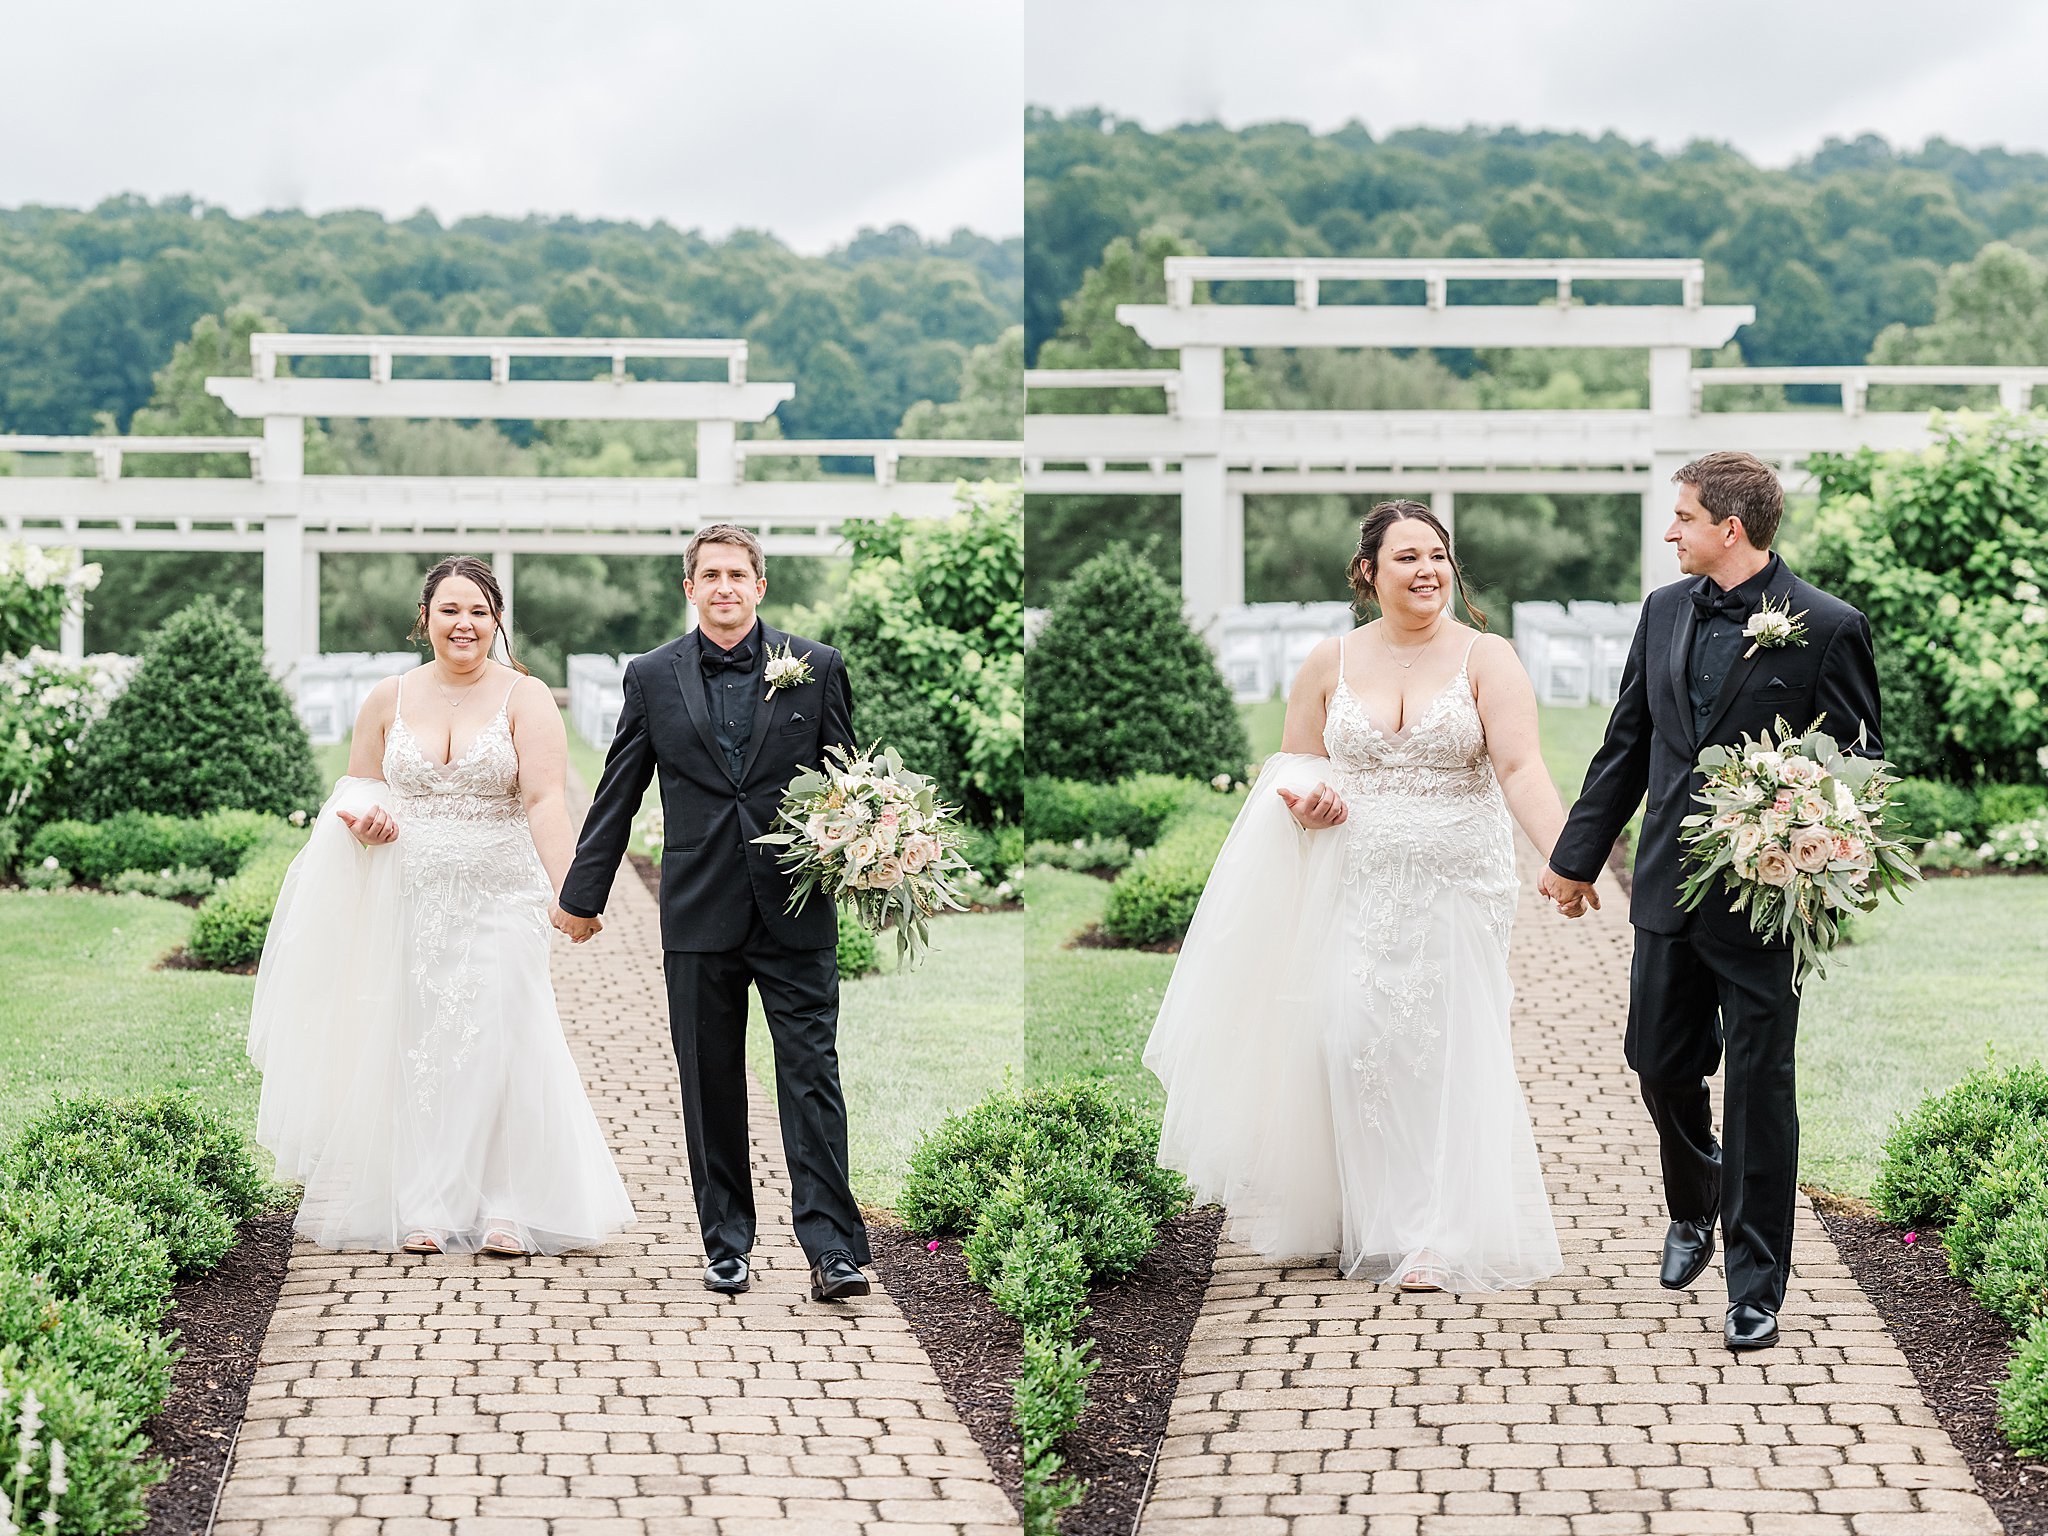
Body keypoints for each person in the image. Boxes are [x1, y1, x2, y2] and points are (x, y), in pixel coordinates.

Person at [1146, 501, 1566, 1293]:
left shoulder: (1488, 658)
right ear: (1368, 572)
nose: (1428, 571)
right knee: (1353, 1038)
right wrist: (1310, 803)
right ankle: (1375, 1215)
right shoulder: (1328, 662)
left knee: (1443, 1048)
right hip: (1357, 880)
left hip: (1459, 883)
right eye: (1407, 557)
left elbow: (1519, 770)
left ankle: (1437, 1231)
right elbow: (1294, 772)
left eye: (1438, 556)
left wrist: (1566, 858)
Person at [1542, 451, 1882, 1352]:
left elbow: (1858, 772)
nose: (1670, 532)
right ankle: (1695, 1203)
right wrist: (1577, 859)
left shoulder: (1828, 626)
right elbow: (1626, 745)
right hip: (1664, 888)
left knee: (1762, 1089)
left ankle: (1756, 1284)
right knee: (1657, 1062)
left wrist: (1803, 837)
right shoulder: (1660, 614)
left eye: (1683, 517)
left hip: (1768, 904)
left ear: (1729, 528)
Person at [248, 555, 635, 1257]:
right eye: (451, 610)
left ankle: (509, 1205)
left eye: (480, 612)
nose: (465, 624)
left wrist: (572, 891)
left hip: (503, 894)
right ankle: (423, 1200)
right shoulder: (387, 699)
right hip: (412, 893)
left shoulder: (526, 697)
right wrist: (368, 820)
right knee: (420, 1043)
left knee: (506, 1037)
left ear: (497, 623)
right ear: (424, 618)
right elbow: (359, 789)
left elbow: (546, 799)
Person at [553, 524, 872, 1303]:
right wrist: (580, 894)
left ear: (760, 586)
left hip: (796, 909)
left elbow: (851, 785)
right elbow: (618, 789)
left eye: (739, 574)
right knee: (709, 1082)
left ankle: (832, 1251)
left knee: (811, 1079)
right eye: (711, 575)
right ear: (689, 588)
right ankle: (725, 1243)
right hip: (696, 913)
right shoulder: (652, 676)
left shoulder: (818, 668)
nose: (725, 586)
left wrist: (877, 852)